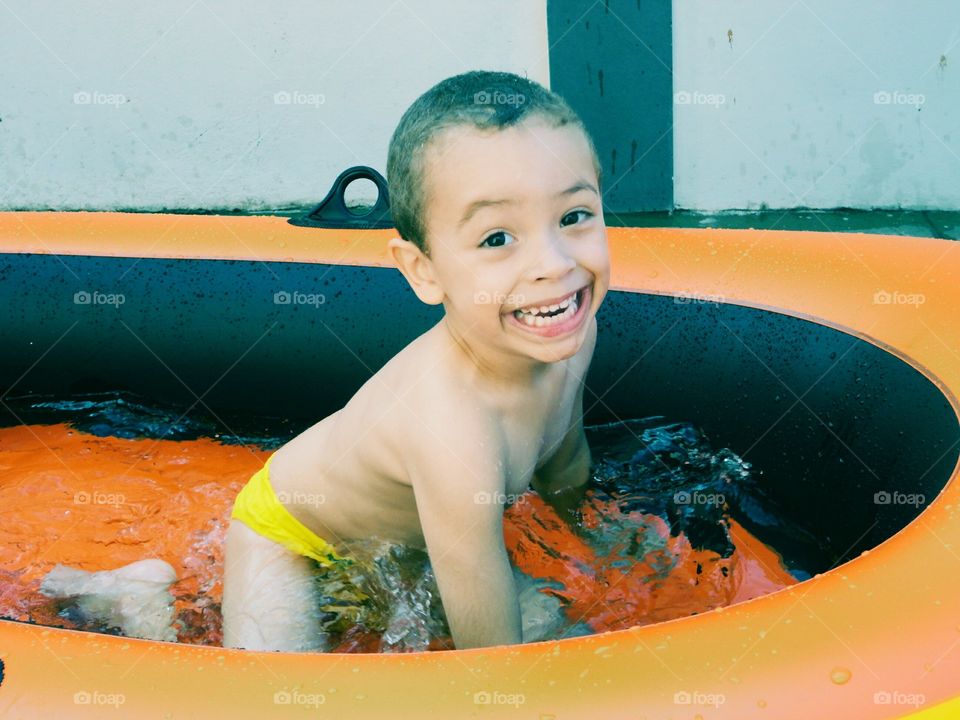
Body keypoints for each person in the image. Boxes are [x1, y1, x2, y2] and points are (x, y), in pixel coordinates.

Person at [221, 69, 610, 652]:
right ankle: (136, 598)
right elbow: (491, 664)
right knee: (277, 700)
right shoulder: (453, 428)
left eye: (574, 216)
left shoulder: (571, 328)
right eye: (498, 238)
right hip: (291, 537)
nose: (554, 264)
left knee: (572, 641)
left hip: (402, 543)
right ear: (422, 269)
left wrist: (594, 552)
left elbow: (566, 457)